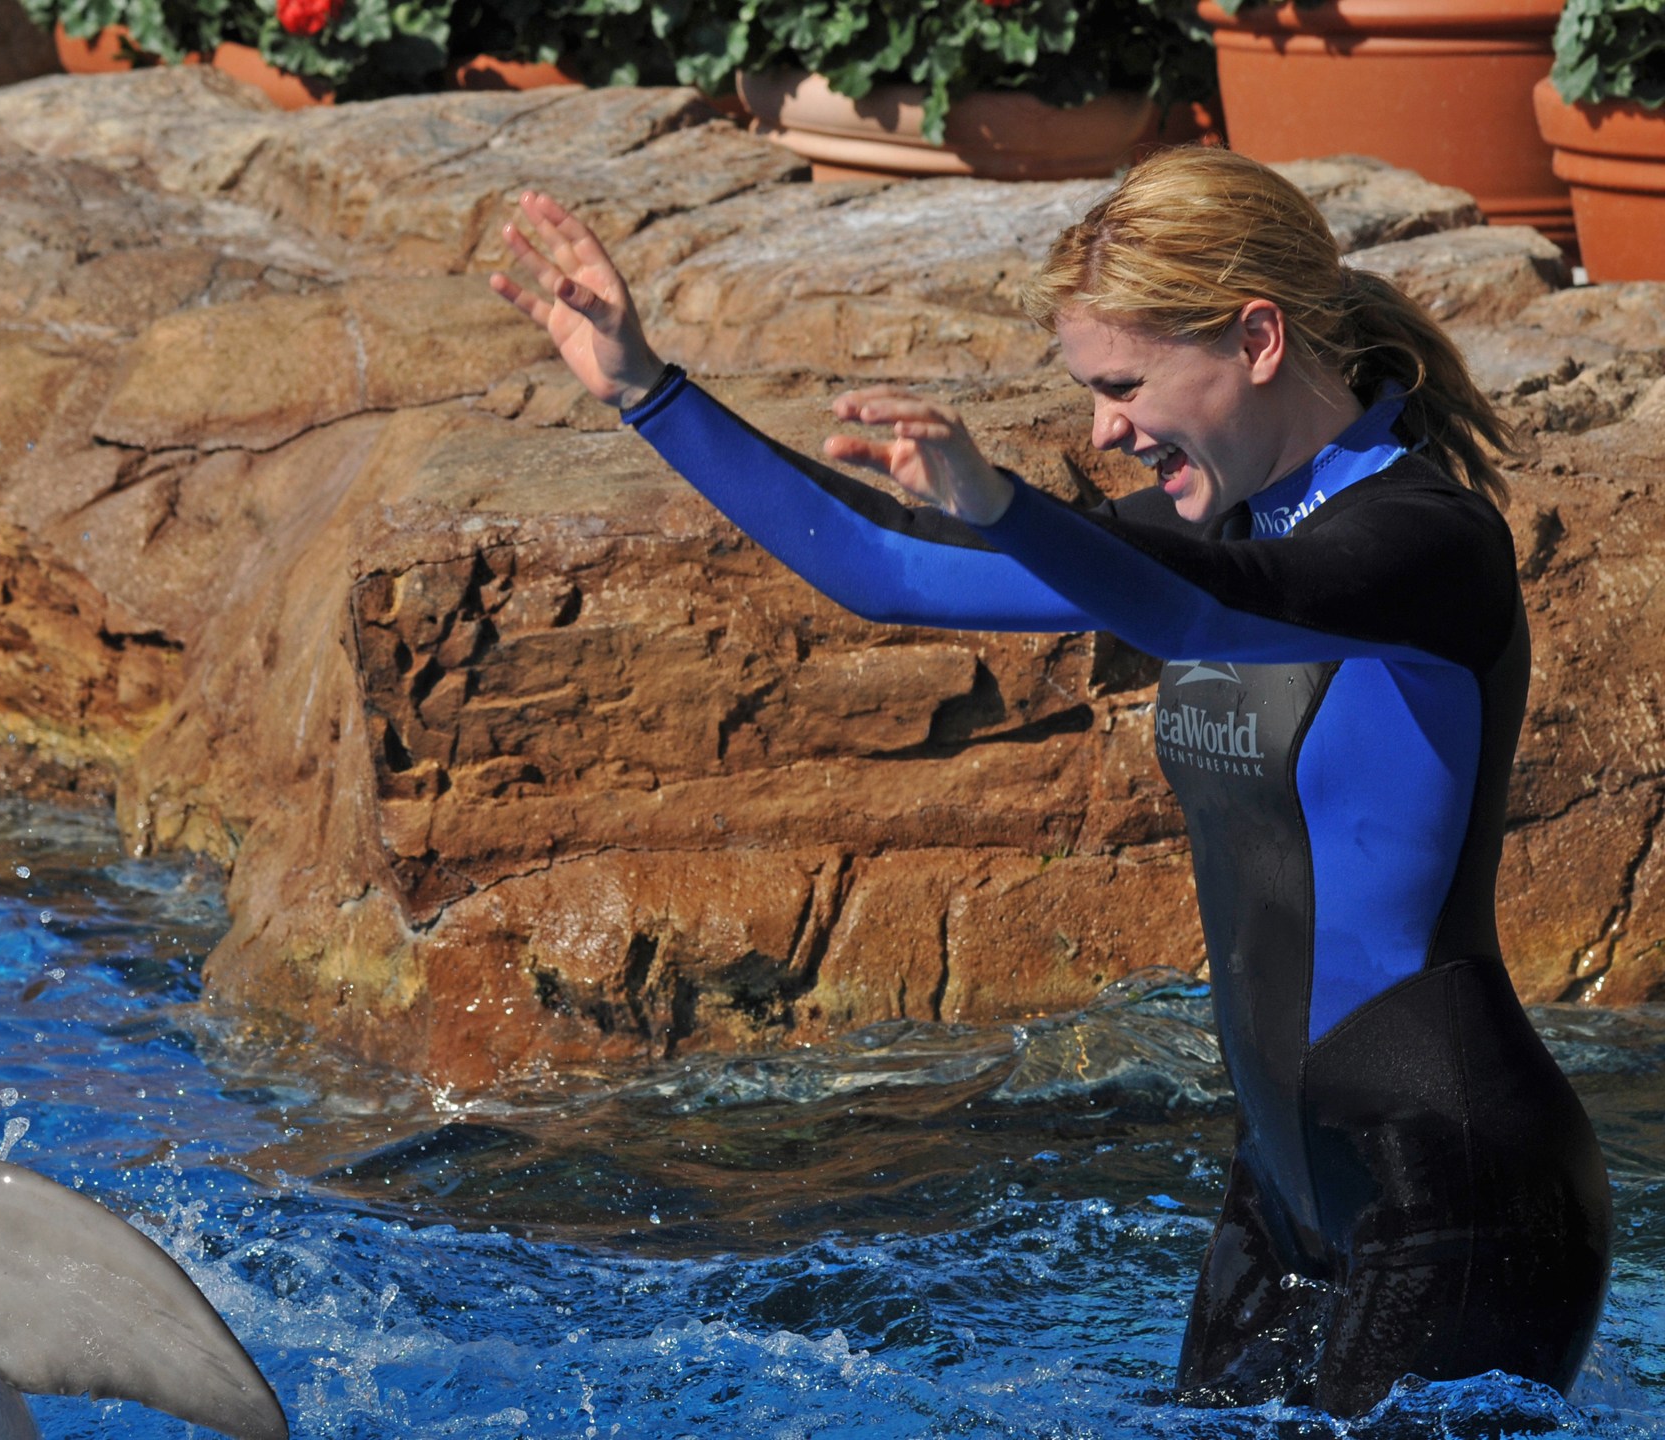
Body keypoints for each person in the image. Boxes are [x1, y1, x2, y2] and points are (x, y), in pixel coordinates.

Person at [488, 147, 1610, 1416]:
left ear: (1255, 338)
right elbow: (889, 572)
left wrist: (1011, 505)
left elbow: (1209, 616)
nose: (1104, 433)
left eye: (1124, 386)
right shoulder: (1225, 528)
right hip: (1292, 1199)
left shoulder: (1424, 543)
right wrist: (647, 390)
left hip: (1457, 1197)